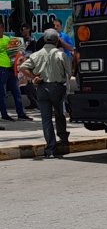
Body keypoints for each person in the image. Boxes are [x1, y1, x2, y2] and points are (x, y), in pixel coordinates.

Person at [19, 29, 71, 159]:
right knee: (59, 115)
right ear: (56, 40)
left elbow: (22, 67)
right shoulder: (60, 54)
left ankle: (50, 149)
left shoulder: (37, 55)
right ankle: (63, 139)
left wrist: (33, 77)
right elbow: (69, 72)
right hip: (57, 88)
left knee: (46, 120)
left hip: (42, 89)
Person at [0, 22, 34, 122]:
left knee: (17, 92)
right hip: (1, 69)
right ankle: (4, 115)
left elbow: (15, 52)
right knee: (2, 93)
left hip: (11, 69)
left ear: (2, 28)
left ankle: (21, 114)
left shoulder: (8, 39)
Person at [19, 23, 39, 110]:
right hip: (22, 64)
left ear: (28, 29)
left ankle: (36, 102)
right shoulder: (20, 40)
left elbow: (34, 53)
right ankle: (33, 102)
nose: (23, 31)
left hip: (29, 64)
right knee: (26, 85)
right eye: (22, 30)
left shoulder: (32, 40)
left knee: (30, 84)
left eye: (25, 29)